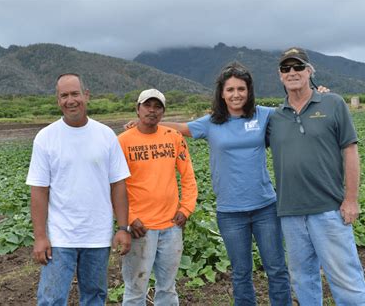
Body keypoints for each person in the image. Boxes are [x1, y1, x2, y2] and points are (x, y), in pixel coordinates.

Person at [126, 63, 292, 305]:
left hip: (265, 207)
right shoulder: (211, 122)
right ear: (222, 93)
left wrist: (319, 95)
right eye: (230, 89)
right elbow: (181, 128)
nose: (236, 94)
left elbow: (293, 113)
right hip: (230, 212)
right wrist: (144, 124)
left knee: (276, 269)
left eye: (241, 89)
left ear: (249, 91)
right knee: (241, 272)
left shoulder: (264, 114)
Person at [267, 47, 365, 305]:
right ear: (280, 76)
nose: (292, 72)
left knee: (346, 279)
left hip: (329, 210)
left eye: (298, 67)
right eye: (286, 68)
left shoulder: (333, 103)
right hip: (290, 214)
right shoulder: (275, 117)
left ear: (309, 71)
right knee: (303, 280)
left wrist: (351, 199)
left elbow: (350, 151)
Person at [26, 73, 131, 305]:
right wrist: (41, 236)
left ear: (87, 95)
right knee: (51, 298)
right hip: (60, 235)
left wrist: (123, 227)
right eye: (64, 95)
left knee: (94, 296)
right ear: (57, 100)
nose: (70, 100)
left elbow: (118, 184)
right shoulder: (45, 138)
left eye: (75, 93)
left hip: (98, 235)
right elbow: (39, 191)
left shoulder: (105, 136)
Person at [118, 89, 197, 305]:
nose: (152, 111)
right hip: (139, 228)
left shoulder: (174, 137)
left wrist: (186, 208)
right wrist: (128, 218)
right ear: (138, 109)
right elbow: (114, 187)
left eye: (157, 107)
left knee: (168, 288)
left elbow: (188, 176)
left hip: (171, 226)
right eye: (147, 106)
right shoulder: (122, 142)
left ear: (163, 112)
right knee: (135, 290)